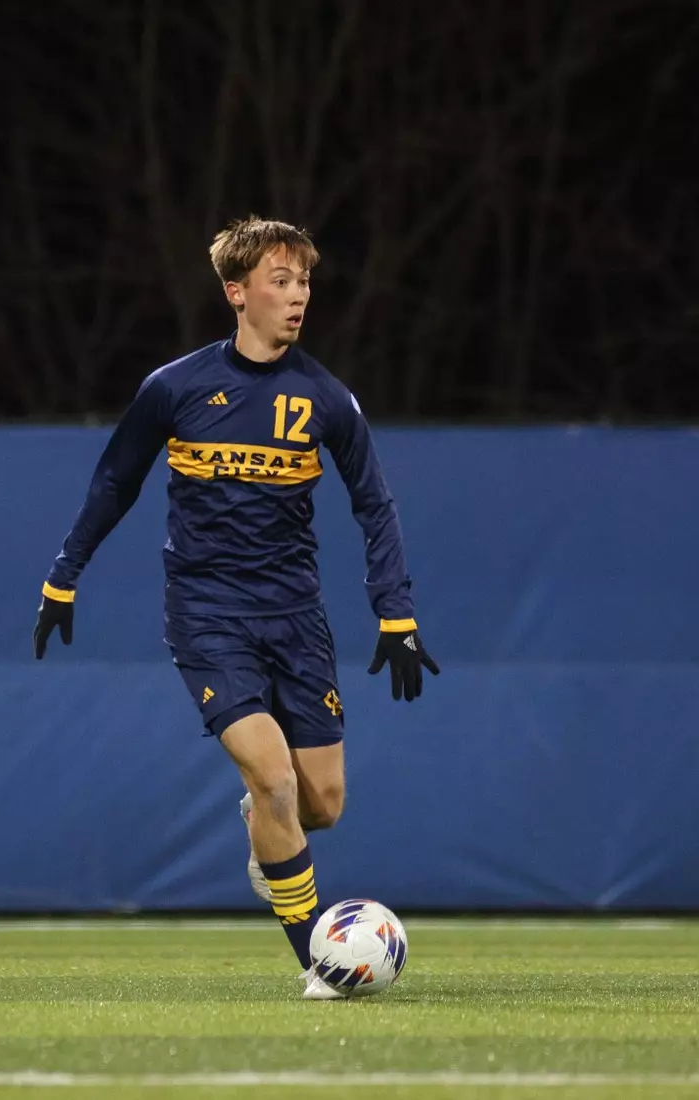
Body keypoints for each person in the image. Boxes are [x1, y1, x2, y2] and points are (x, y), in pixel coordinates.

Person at [32, 216, 437, 1000]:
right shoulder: (174, 388)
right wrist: (62, 576)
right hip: (207, 614)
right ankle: (320, 960)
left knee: (319, 803)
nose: (297, 298)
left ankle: (265, 836)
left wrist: (396, 613)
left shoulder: (324, 398)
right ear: (236, 293)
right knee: (274, 780)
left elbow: (375, 504)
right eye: (280, 282)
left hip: (295, 617)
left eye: (304, 283)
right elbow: (115, 482)